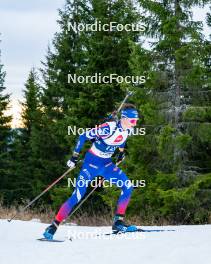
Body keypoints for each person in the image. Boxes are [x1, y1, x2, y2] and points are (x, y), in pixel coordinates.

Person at [43, 103, 139, 239]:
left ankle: (118, 223)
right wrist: (74, 156)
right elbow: (83, 136)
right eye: (133, 121)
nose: (135, 124)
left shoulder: (127, 130)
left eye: (136, 121)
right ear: (124, 118)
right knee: (77, 195)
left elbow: (121, 140)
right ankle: (53, 226)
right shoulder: (107, 128)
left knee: (128, 187)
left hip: (106, 165)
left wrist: (121, 152)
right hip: (90, 165)